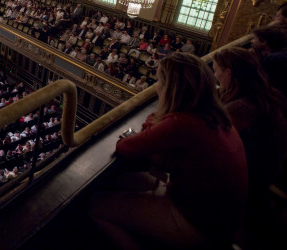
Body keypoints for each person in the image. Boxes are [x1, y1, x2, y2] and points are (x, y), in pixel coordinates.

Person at [89, 53, 247, 249]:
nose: (156, 86)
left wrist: (157, 118)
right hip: (223, 217)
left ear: (170, 88)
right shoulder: (216, 116)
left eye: (159, 80)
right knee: (121, 181)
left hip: (199, 222)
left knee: (96, 206)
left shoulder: (181, 123)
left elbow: (125, 146)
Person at [212, 47, 287, 211]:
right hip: (269, 172)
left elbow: (210, 140)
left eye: (216, 71)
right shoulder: (265, 94)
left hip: (249, 181)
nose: (215, 76)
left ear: (229, 72)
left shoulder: (243, 107)